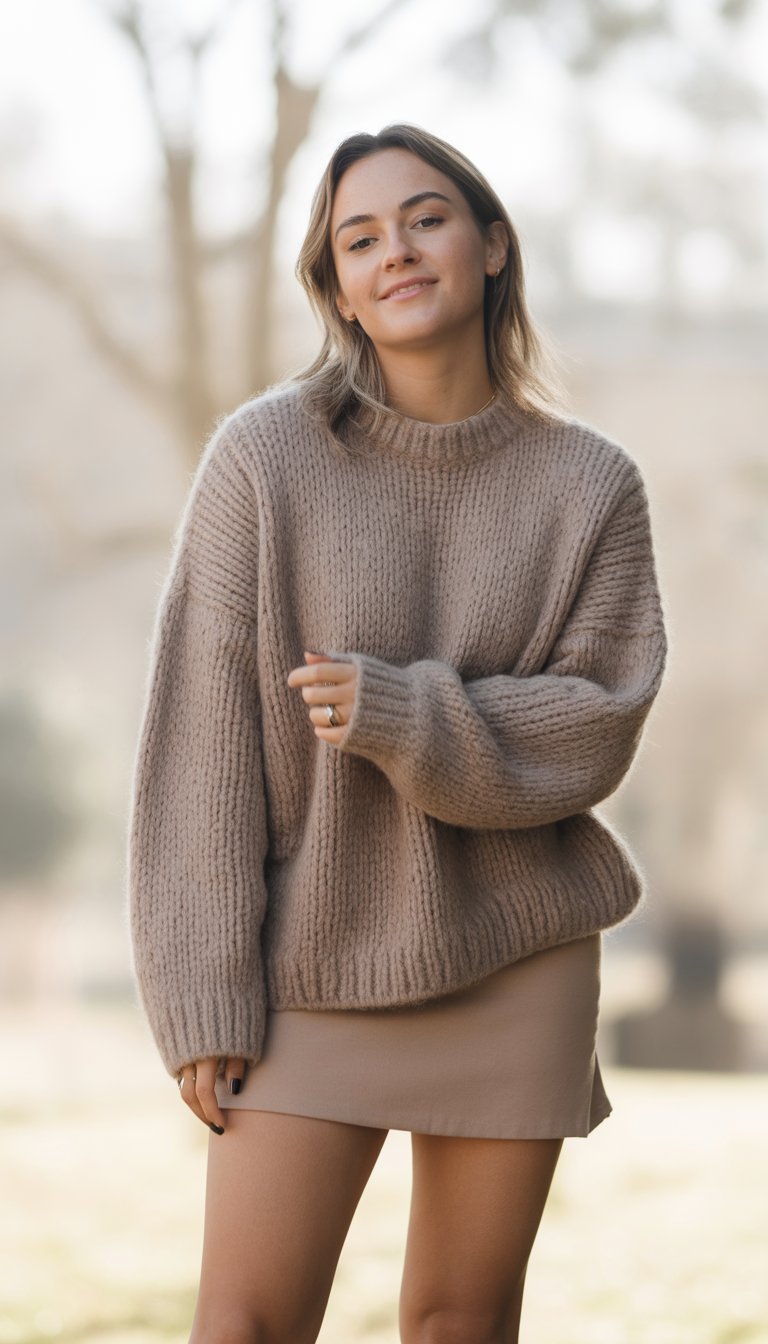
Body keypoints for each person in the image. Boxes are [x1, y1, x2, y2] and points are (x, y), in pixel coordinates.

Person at [127, 123, 668, 1344]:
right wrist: (202, 991)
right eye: (359, 241)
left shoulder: (592, 486)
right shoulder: (264, 459)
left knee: (458, 1324)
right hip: (309, 962)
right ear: (337, 290)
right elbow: (201, 751)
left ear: (492, 245)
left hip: (517, 952)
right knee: (243, 1326)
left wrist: (404, 712)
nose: (397, 254)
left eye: (425, 220)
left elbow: (598, 723)